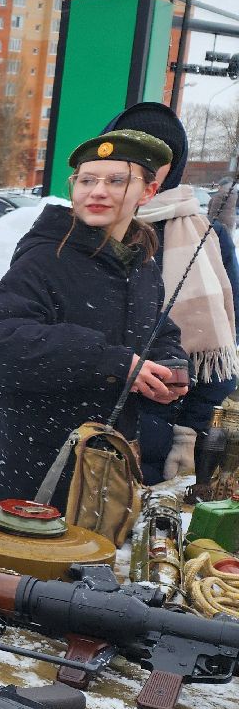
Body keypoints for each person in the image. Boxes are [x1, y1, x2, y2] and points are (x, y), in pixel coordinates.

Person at [0, 130, 187, 512]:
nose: (97, 192)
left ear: (148, 192)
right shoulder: (44, 257)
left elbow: (157, 330)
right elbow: (2, 345)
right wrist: (112, 362)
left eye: (116, 181)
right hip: (31, 474)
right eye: (87, 181)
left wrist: (169, 366)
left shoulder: (141, 263)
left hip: (101, 475)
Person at [101, 103, 239, 482]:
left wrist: (189, 432)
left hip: (166, 433)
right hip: (88, 426)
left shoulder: (209, 237)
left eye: (159, 155)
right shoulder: (85, 228)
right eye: (133, 151)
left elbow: (222, 349)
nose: (145, 165)